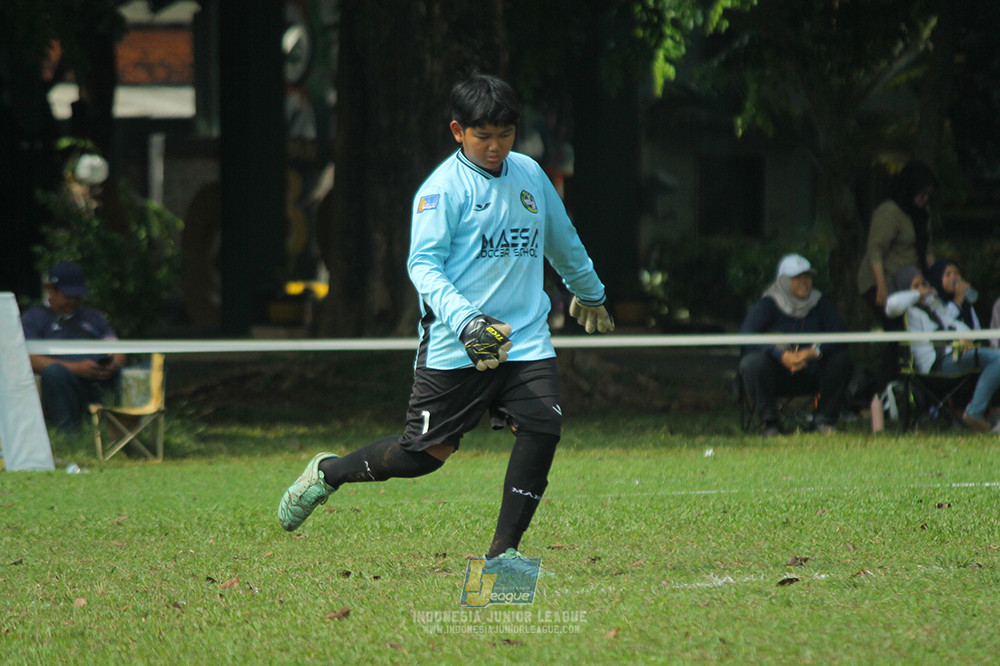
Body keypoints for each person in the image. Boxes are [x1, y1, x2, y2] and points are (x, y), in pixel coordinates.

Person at [277, 74, 614, 563]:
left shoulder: (530, 174)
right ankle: (329, 472)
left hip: (524, 339)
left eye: (506, 134)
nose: (496, 146)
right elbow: (423, 267)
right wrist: (467, 323)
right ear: (458, 131)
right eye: (484, 136)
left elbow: (562, 238)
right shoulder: (441, 191)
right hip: (458, 346)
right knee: (422, 457)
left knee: (543, 426)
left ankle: (503, 555)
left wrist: (590, 292)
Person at [739, 254, 853, 436]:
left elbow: (841, 335)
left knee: (841, 360)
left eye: (807, 277)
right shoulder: (767, 304)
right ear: (784, 281)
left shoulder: (820, 302)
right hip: (777, 375)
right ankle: (771, 424)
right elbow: (747, 337)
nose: (804, 282)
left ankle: (823, 421)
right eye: (797, 277)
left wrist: (813, 352)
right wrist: (781, 355)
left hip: (812, 372)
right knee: (752, 363)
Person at [886, 266, 1000, 432]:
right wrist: (920, 293)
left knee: (995, 357)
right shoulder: (906, 311)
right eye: (916, 286)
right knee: (998, 359)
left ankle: (983, 413)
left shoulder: (930, 305)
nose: (922, 288)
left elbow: (952, 322)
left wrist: (965, 337)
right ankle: (974, 414)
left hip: (953, 356)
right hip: (936, 365)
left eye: (923, 284)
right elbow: (892, 304)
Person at [857, 159, 938, 390]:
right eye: (921, 194)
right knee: (897, 334)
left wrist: (935, 281)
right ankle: (882, 391)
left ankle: (909, 388)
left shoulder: (922, 213)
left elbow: (927, 251)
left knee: (916, 331)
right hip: (881, 281)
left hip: (909, 282)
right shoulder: (890, 212)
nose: (925, 199)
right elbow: (875, 250)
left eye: (928, 195)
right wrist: (881, 286)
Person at [20, 262, 127, 432]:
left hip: (99, 380)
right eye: (68, 296)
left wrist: (111, 366)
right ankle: (69, 434)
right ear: (50, 289)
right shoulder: (32, 319)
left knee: (147, 368)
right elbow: (28, 358)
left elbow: (117, 349)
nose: (73, 301)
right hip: (64, 380)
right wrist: (75, 368)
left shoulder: (94, 317)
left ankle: (120, 430)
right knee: (54, 373)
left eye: (78, 297)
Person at [927, 259, 980, 330]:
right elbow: (944, 318)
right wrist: (957, 301)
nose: (954, 278)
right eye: (948, 274)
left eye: (956, 273)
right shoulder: (932, 300)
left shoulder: (965, 303)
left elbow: (976, 328)